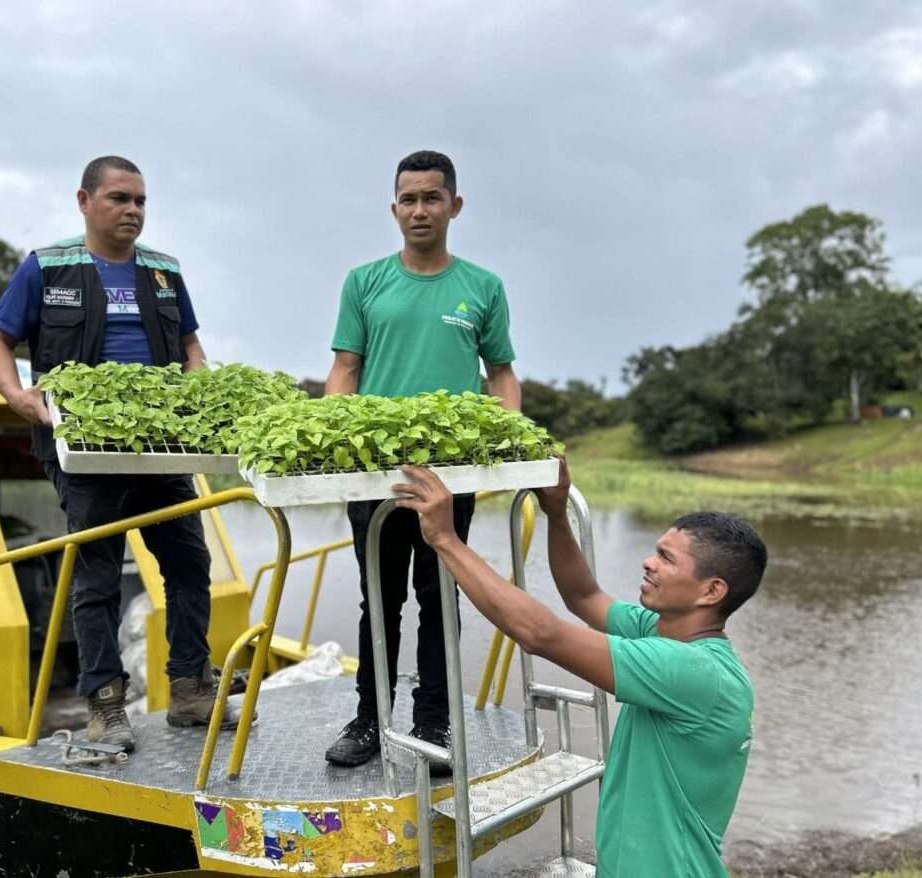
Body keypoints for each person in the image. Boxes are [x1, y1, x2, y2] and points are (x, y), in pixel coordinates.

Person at [394, 459, 765, 876]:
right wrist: (555, 515)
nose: (648, 562)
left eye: (666, 558)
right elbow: (582, 595)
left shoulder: (694, 672)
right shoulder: (660, 631)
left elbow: (541, 634)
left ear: (711, 591)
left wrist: (447, 540)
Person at [0, 155, 237, 753]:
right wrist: (16, 395)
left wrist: (198, 383)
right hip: (84, 451)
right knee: (95, 575)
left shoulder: (164, 271)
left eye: (141, 201)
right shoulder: (49, 267)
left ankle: (191, 688)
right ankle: (105, 706)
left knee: (189, 562)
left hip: (159, 447)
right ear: (84, 201)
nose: (133, 211)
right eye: (120, 198)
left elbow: (191, 345)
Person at [323, 150, 522, 772]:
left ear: (454, 206)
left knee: (439, 598)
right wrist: (335, 442)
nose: (419, 210)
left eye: (431, 198)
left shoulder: (482, 287)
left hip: (448, 477)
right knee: (376, 601)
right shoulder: (365, 281)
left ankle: (434, 725)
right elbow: (344, 371)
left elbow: (503, 375)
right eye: (408, 199)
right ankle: (369, 722)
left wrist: (505, 438)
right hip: (376, 475)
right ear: (394, 208)